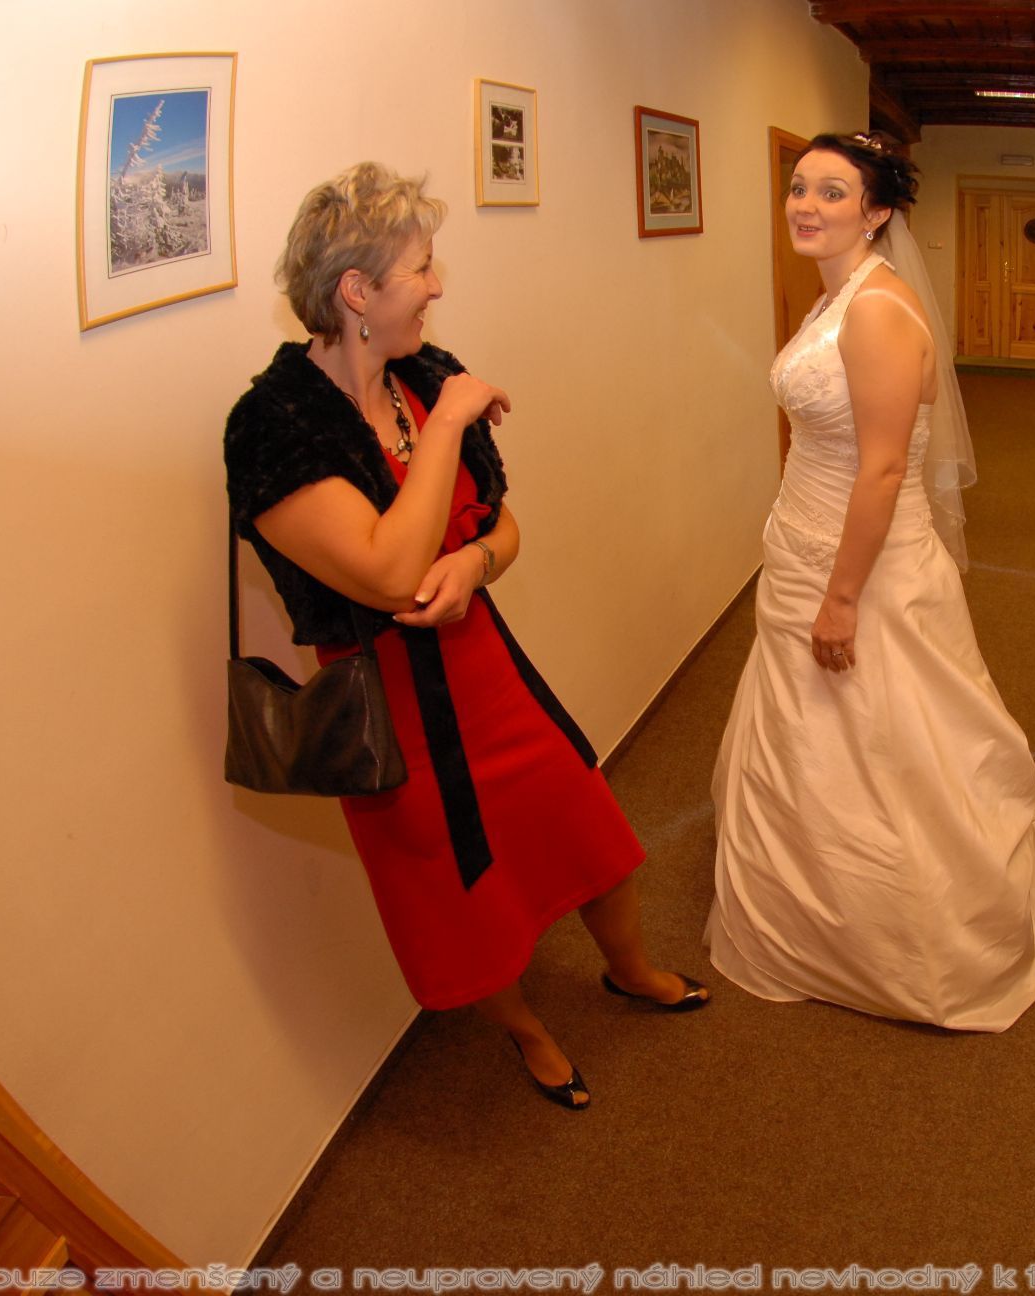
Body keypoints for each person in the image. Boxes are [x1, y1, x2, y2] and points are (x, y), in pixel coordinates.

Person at [224, 163, 706, 1111]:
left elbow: (503, 525)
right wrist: (447, 423)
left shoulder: (426, 376)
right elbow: (388, 573)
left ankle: (631, 970)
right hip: (389, 709)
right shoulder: (274, 426)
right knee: (456, 892)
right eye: (422, 268)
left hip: (485, 667)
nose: (437, 286)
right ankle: (527, 1031)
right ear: (356, 292)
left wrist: (478, 564)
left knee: (586, 824)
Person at [705, 134, 1035, 1032]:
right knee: (815, 731)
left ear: (875, 212)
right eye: (799, 187)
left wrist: (841, 598)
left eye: (833, 192)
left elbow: (881, 469)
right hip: (807, 543)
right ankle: (815, 905)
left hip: (859, 563)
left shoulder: (874, 309)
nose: (806, 204)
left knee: (891, 733)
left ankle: (912, 931)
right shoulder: (836, 296)